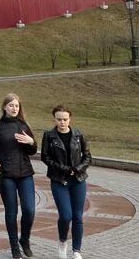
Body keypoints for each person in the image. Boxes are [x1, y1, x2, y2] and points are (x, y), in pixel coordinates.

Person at [0, 93, 38, 258]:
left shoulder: (24, 125)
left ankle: (25, 240)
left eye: (17, 106)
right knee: (11, 212)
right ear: (4, 107)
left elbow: (32, 151)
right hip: (6, 174)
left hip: (25, 173)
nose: (14, 109)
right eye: (11, 106)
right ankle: (15, 248)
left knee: (29, 210)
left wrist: (31, 142)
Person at [41, 105, 92, 259]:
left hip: (78, 180)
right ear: (54, 119)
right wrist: (63, 168)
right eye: (59, 119)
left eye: (65, 119)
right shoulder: (49, 136)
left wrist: (77, 169)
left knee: (77, 216)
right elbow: (45, 157)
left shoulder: (78, 135)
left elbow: (88, 157)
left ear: (70, 119)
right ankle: (63, 241)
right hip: (59, 180)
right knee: (65, 215)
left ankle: (76, 250)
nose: (62, 122)